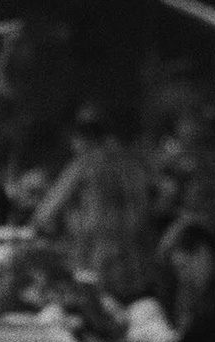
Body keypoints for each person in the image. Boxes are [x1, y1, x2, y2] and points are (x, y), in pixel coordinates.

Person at [30, 104, 159, 302]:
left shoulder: (84, 164)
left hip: (101, 273)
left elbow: (44, 216)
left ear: (82, 139)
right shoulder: (134, 163)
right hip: (141, 272)